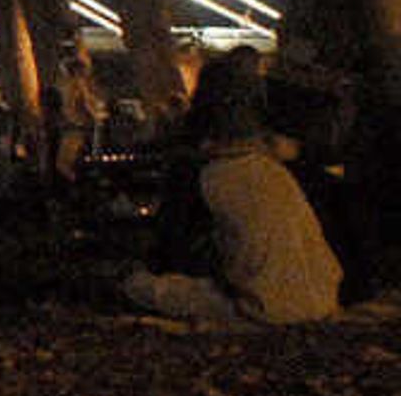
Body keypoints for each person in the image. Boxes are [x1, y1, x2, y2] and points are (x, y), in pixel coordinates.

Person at [121, 66, 342, 328]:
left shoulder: (211, 173)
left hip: (261, 305)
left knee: (144, 287)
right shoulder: (274, 170)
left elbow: (181, 243)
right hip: (321, 300)